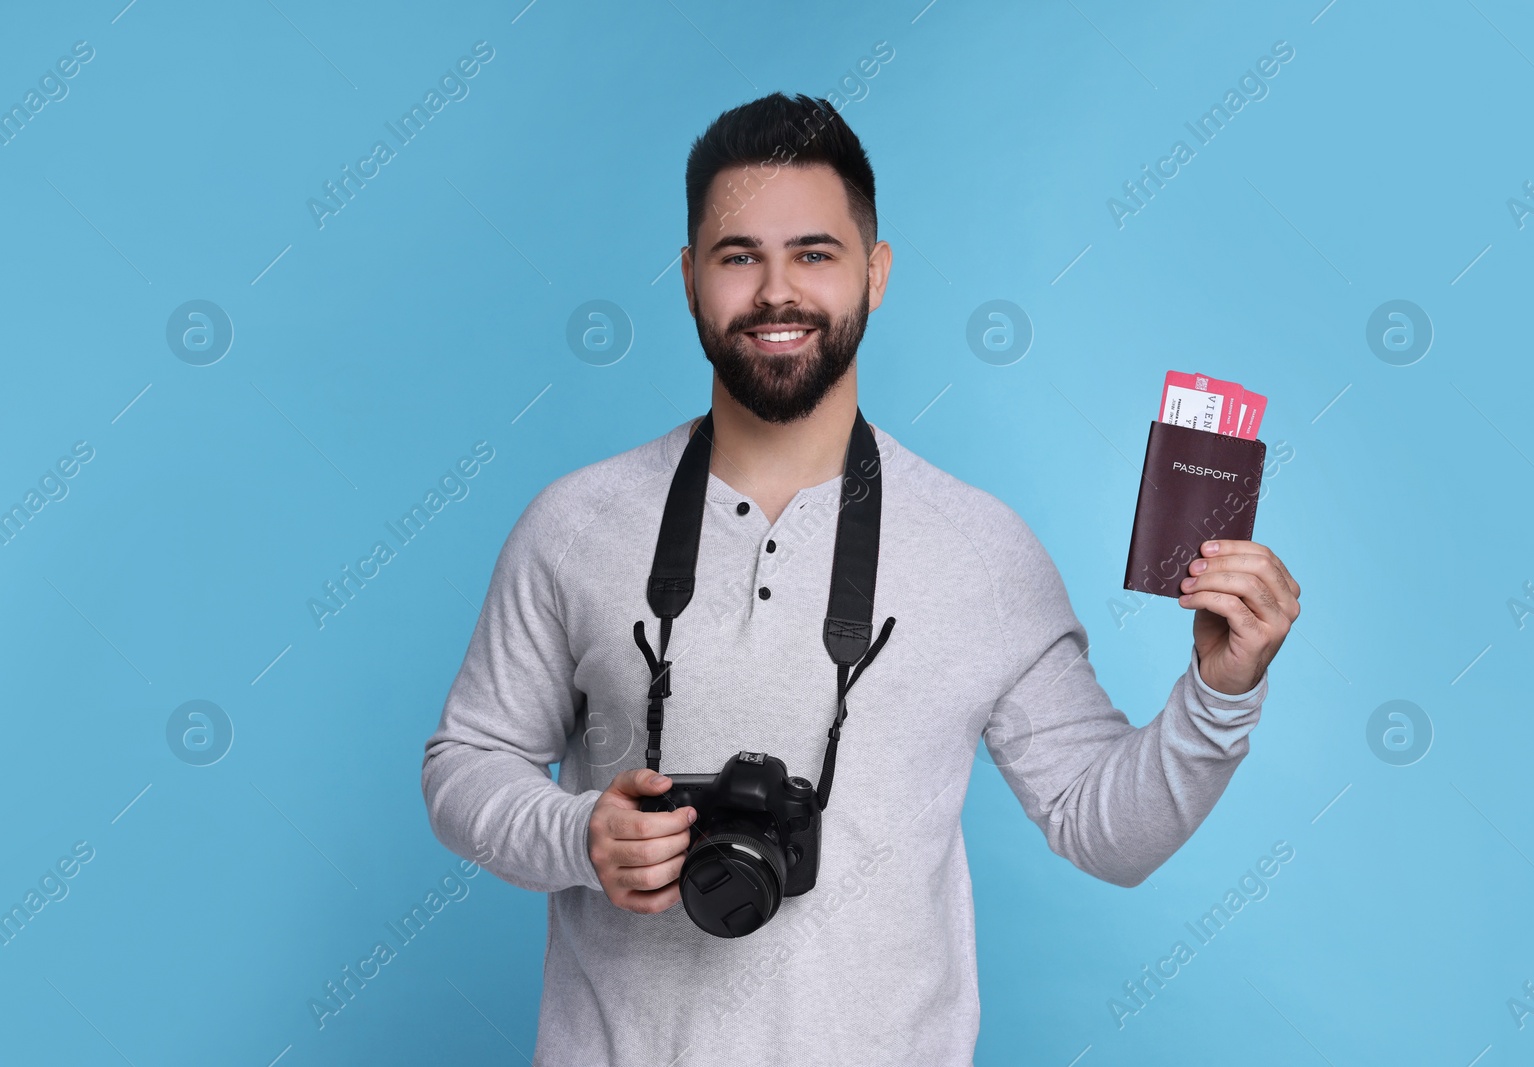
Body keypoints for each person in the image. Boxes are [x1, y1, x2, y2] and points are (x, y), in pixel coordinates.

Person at [421, 91, 1301, 1066]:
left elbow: (1106, 830)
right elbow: (466, 763)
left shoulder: (981, 548)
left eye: (813, 252)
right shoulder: (574, 522)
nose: (774, 291)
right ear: (686, 278)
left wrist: (1222, 692)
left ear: (874, 274)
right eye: (737, 255)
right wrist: (578, 832)